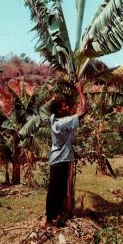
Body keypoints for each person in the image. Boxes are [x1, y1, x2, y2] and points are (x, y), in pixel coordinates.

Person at [45, 81, 87, 227]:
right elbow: (83, 110)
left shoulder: (53, 119)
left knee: (57, 190)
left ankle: (55, 216)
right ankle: (51, 219)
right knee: (56, 191)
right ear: (59, 110)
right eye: (64, 107)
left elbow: (61, 111)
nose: (67, 107)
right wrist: (80, 90)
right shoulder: (63, 123)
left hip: (57, 159)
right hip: (60, 159)